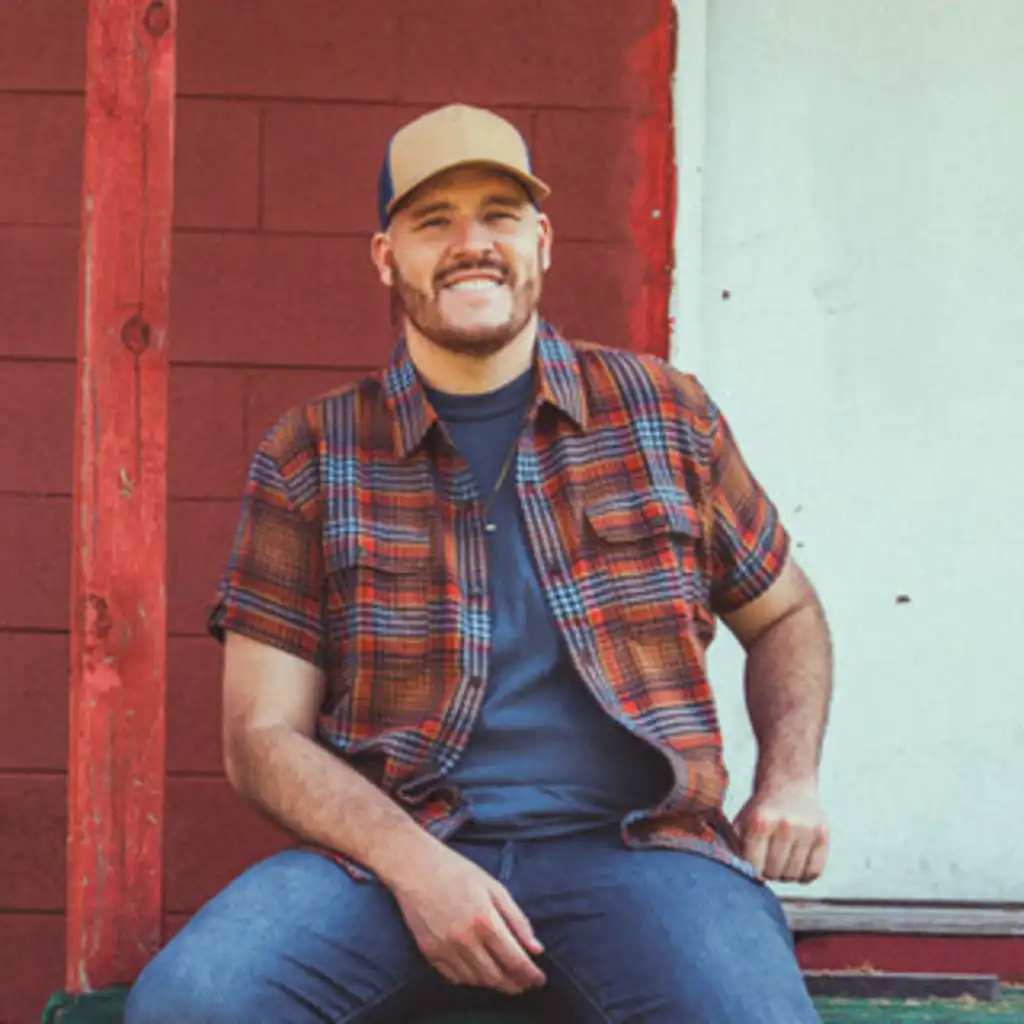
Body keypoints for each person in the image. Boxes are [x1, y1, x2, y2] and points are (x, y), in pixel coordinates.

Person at [126, 103, 832, 1024]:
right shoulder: (311, 453)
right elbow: (261, 736)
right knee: (191, 1004)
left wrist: (790, 778)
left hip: (640, 853)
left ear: (542, 242)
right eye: (434, 221)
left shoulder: (664, 414)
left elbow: (786, 614)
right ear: (387, 257)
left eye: (500, 215)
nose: (472, 244)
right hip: (386, 855)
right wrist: (418, 868)